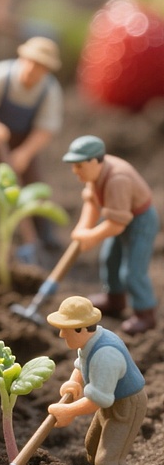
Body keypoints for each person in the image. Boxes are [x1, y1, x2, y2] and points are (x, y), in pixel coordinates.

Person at [46, 296, 147, 465]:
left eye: (66, 330)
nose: (62, 335)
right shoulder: (89, 341)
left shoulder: (105, 355)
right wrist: (74, 383)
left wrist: (69, 411)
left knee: (109, 456)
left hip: (126, 405)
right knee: (93, 442)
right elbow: (81, 366)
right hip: (111, 401)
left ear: (81, 328)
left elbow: (96, 400)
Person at [0, 35, 63, 247]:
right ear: (22, 58)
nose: (33, 70)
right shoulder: (2, 74)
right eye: (31, 62)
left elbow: (46, 128)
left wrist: (25, 153)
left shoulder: (49, 90)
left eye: (40, 67)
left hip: (26, 140)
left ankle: (42, 232)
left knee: (33, 183)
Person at [62, 135, 159, 334]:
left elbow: (116, 224)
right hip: (121, 217)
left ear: (94, 161)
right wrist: (83, 229)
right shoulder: (95, 174)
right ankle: (115, 299)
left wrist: (93, 236)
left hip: (140, 221)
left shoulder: (117, 179)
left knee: (132, 272)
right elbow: (92, 203)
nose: (75, 171)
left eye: (79, 166)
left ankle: (145, 313)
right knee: (110, 259)